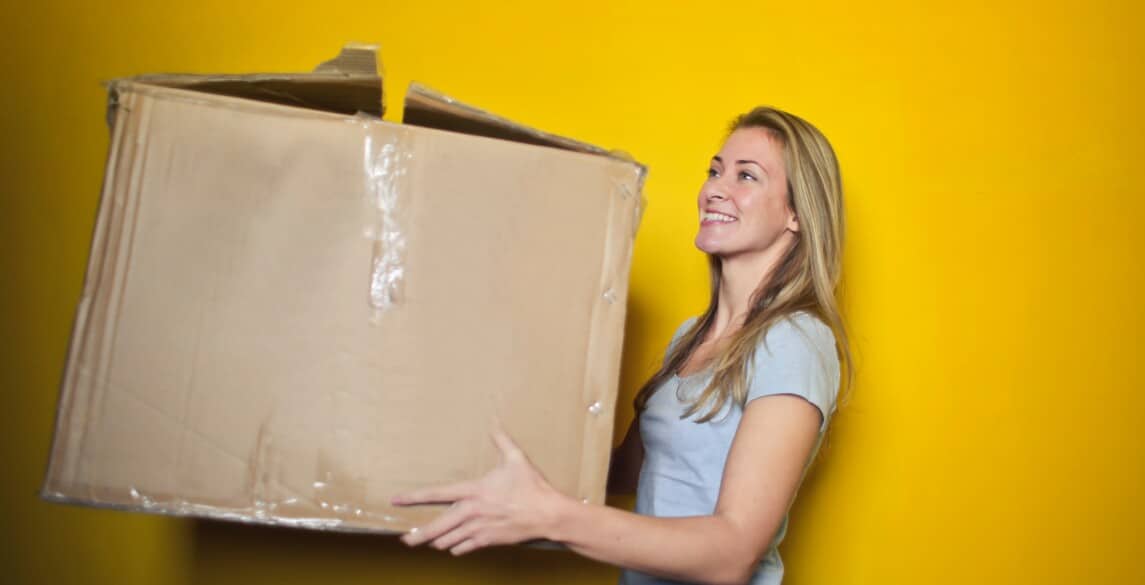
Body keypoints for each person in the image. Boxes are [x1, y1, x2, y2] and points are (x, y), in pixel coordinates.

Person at [393, 106, 852, 585]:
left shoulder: (794, 342)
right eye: (715, 171)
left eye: (746, 176)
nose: (716, 188)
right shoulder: (690, 338)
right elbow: (623, 472)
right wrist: (468, 446)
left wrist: (550, 516)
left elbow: (732, 554)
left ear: (797, 214)